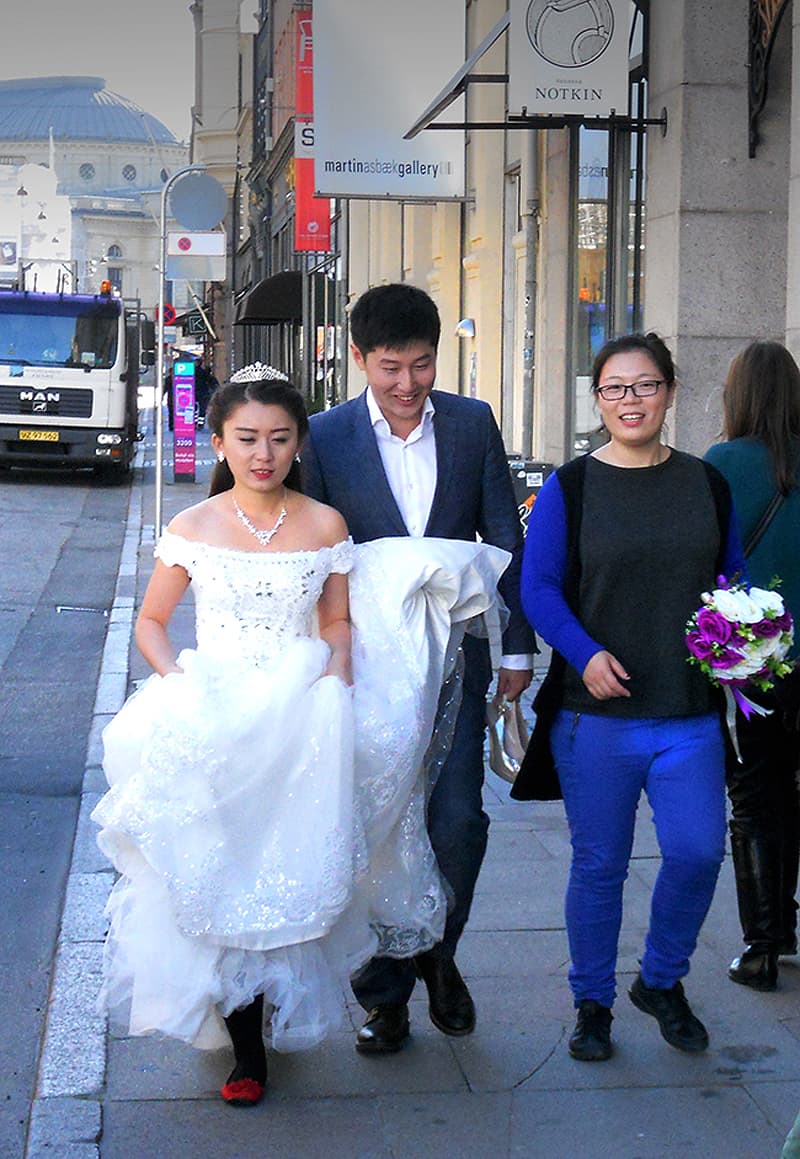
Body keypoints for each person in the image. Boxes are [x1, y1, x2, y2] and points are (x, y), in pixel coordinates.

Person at [92, 365, 510, 1106]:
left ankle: (294, 1005)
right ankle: (245, 1050)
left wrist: (338, 676)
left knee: (286, 869)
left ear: (298, 444)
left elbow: (336, 619)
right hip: (214, 711)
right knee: (217, 868)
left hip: (300, 713)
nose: (263, 453)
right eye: (247, 438)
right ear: (218, 440)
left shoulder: (324, 524)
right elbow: (152, 623)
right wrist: (176, 682)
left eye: (279, 438)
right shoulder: (192, 527)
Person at [301, 282, 535, 1054]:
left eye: (423, 366)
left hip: (457, 660)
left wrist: (518, 648)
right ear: (361, 358)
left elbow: (505, 536)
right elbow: (317, 557)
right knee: (375, 823)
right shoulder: (327, 436)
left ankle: (441, 952)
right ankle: (385, 993)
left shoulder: (471, 424)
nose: (408, 385)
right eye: (391, 367)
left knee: (460, 819)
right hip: (364, 662)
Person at [513, 332, 744, 1062]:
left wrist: (747, 635)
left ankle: (662, 979)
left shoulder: (706, 483)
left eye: (645, 385)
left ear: (670, 392)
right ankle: (592, 1003)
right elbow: (539, 587)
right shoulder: (572, 487)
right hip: (597, 717)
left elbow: (730, 579)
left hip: (688, 714)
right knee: (600, 865)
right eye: (615, 388)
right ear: (598, 399)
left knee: (700, 849)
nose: (631, 400)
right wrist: (584, 654)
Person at [704, 339, 800, 991]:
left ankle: (763, 945)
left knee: (754, 795)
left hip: (751, 657)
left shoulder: (721, 463)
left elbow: (701, 562)